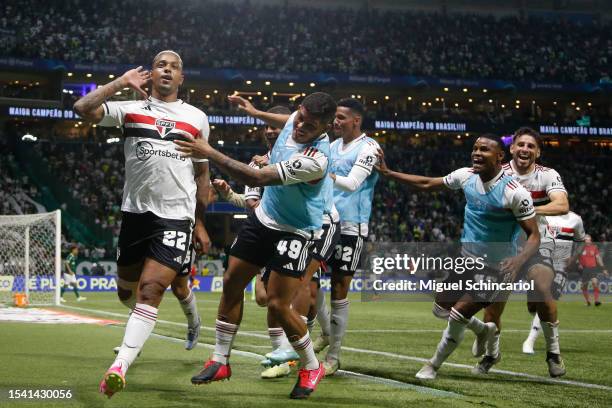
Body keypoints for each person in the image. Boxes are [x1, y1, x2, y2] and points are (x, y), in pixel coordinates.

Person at [175, 92, 337, 399]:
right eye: (299, 116)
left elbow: (258, 176)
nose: (299, 125)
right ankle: (220, 361)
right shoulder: (297, 119)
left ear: (325, 127)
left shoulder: (316, 160)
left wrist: (208, 151)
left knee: (277, 304)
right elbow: (285, 119)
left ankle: (311, 365)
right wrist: (256, 111)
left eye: (309, 124)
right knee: (231, 282)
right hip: (263, 219)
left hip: (295, 230)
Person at [73, 50, 211, 398]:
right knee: (127, 292)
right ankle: (188, 317)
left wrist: (199, 223)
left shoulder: (197, 118)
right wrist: (120, 83)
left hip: (176, 216)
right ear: (150, 73)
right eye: (160, 64)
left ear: (182, 79)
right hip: (135, 216)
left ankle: (121, 365)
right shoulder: (131, 109)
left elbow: (202, 172)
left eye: (174, 66)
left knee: (152, 290)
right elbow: (82, 109)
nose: (167, 69)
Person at [376, 134, 540, 380]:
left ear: (499, 156)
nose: (476, 153)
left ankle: (432, 365)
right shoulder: (466, 176)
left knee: (457, 314)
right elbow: (426, 183)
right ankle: (484, 330)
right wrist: (389, 174)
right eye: (474, 148)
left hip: (497, 267)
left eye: (484, 149)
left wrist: (518, 261)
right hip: (467, 259)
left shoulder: (515, 193)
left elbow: (534, 236)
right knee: (440, 310)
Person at [479, 127, 569, 377]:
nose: (525, 149)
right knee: (492, 309)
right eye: (521, 145)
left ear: (538, 152)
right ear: (511, 148)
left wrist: (528, 210)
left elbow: (562, 204)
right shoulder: (498, 174)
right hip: (503, 249)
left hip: (535, 245)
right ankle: (492, 353)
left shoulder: (547, 175)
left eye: (531, 146)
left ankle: (553, 352)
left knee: (542, 286)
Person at [314, 98, 380, 376]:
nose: (335, 122)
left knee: (339, 288)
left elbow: (353, 183)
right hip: (323, 221)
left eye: (341, 117)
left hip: (351, 226)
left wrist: (319, 171)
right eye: (334, 118)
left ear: (356, 120)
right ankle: (327, 331)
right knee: (308, 280)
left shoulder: (369, 148)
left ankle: (334, 355)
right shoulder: (330, 146)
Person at [522, 211, 585, 353]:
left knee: (546, 297)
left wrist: (574, 258)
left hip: (561, 267)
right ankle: (546, 322)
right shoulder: (543, 216)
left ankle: (530, 340)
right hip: (541, 264)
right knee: (532, 306)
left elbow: (581, 242)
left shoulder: (575, 219)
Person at [578, 235, 609, 306]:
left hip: (593, 269)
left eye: (588, 239)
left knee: (595, 283)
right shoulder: (581, 249)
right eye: (585, 239)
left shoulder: (594, 248)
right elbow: (579, 258)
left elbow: (598, 259)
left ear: (590, 240)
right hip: (585, 269)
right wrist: (580, 264)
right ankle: (588, 301)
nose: (587, 241)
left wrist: (603, 268)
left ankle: (596, 301)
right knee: (584, 287)